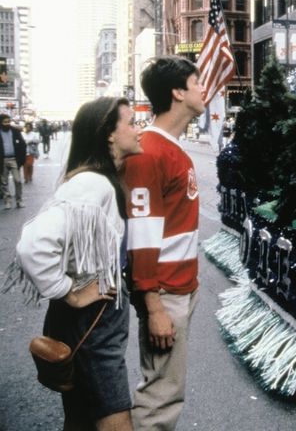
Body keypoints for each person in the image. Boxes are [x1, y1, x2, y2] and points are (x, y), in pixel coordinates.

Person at [12, 97, 142, 430]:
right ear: (108, 134)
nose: (138, 128)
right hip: (92, 321)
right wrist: (69, 291)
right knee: (114, 419)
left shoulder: (99, 180)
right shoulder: (92, 183)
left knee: (82, 418)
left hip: (91, 320)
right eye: (131, 122)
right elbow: (33, 244)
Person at [123, 55, 204, 431]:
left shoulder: (170, 147)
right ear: (177, 92)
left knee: (169, 390)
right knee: (160, 398)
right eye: (196, 82)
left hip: (181, 288)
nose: (204, 89)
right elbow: (140, 237)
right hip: (164, 292)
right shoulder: (149, 152)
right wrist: (154, 306)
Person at [1, 113, 26, 209]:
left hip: (14, 159)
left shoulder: (15, 131)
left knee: (18, 180)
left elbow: (23, 144)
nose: (6, 124)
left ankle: (19, 200)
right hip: (2, 160)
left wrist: (21, 158)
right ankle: (7, 201)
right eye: (4, 122)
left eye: (8, 122)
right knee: (4, 182)